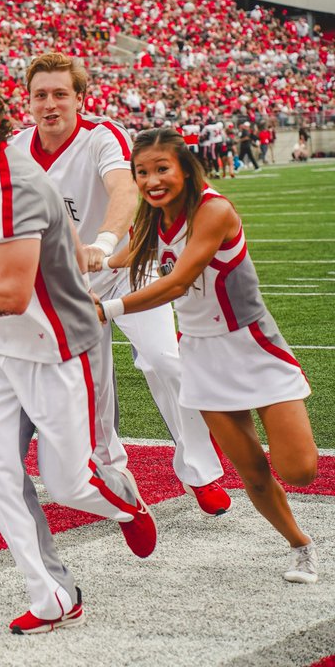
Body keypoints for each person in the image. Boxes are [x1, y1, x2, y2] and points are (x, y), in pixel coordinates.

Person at [0, 76, 156, 634]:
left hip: (55, 349)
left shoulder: (14, 184)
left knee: (68, 484)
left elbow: (12, 294)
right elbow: (15, 219)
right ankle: (53, 597)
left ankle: (126, 505)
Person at [0, 53, 229, 515]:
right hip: (68, 288)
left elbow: (124, 187)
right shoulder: (14, 146)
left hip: (125, 271)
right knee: (90, 390)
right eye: (41, 95)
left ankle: (201, 472)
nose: (50, 104)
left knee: (165, 360)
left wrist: (102, 240)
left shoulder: (102, 135)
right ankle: (116, 484)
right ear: (29, 101)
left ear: (80, 97)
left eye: (60, 94)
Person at [99, 128, 318, 584]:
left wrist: (106, 308)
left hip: (252, 345)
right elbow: (130, 256)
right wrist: (81, 260)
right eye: (142, 172)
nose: (152, 180)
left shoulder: (214, 210)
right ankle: (302, 547)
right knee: (253, 474)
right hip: (202, 354)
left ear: (185, 168)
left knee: (298, 470)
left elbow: (177, 282)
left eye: (162, 169)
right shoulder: (154, 216)